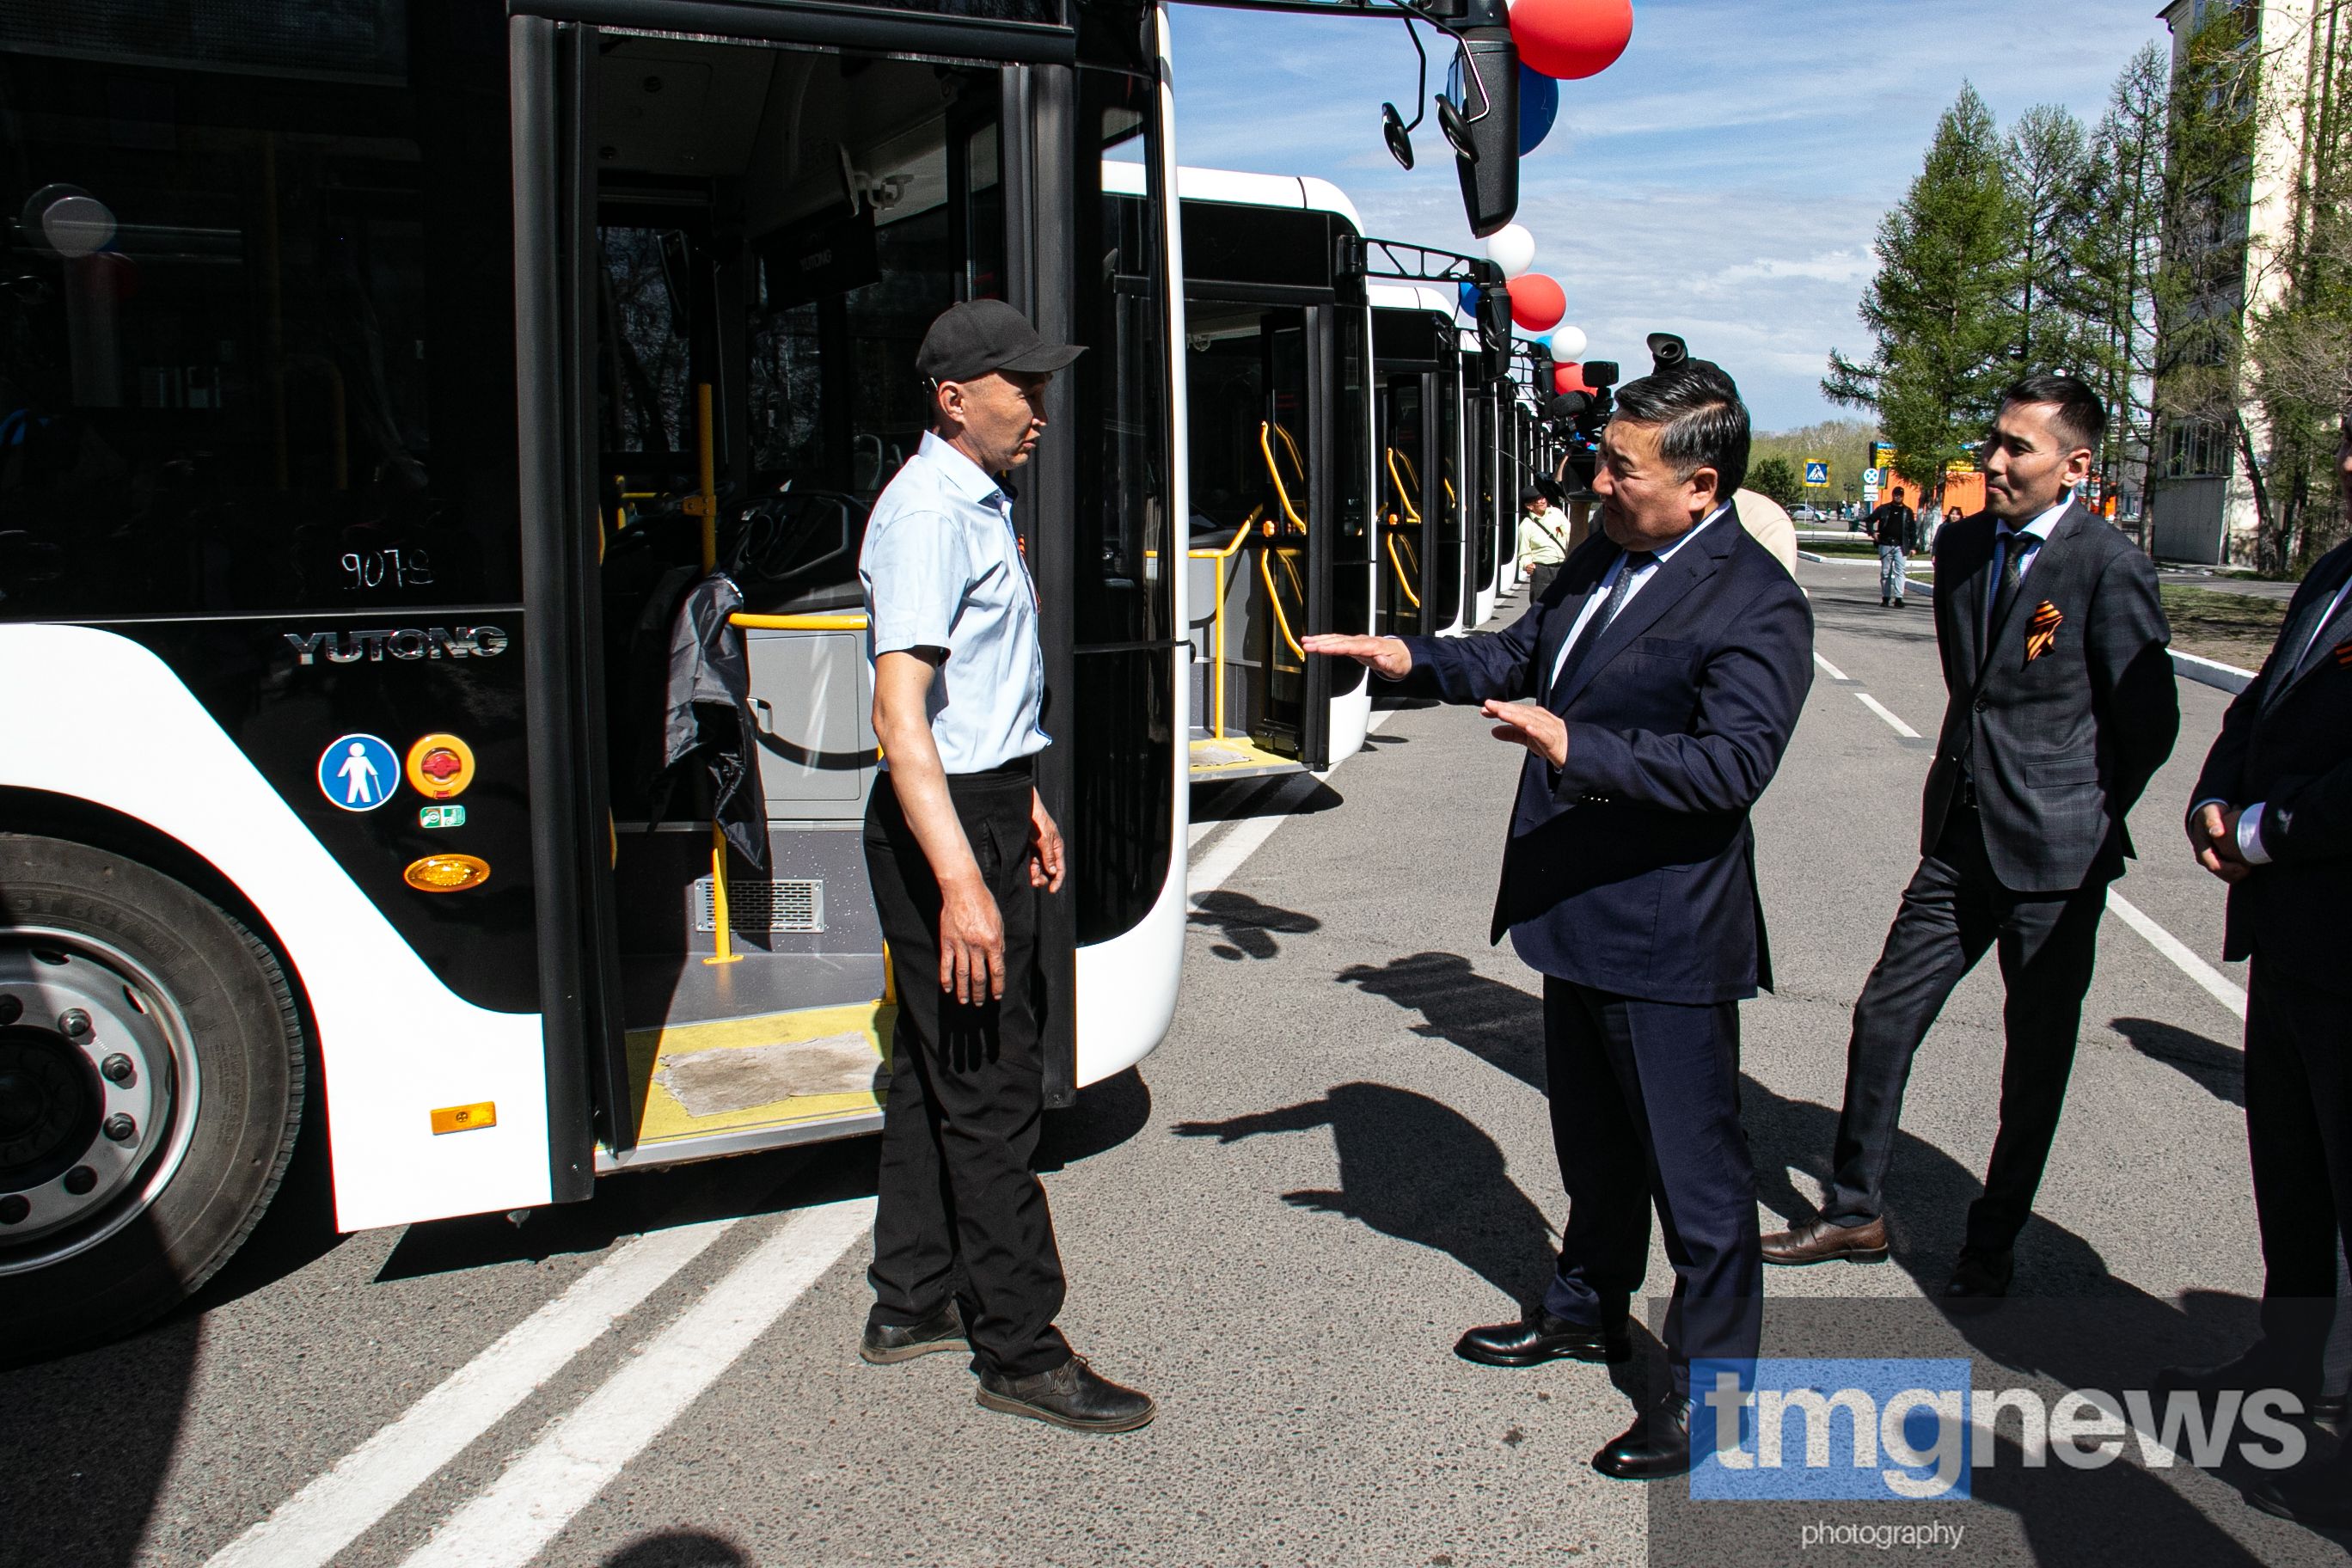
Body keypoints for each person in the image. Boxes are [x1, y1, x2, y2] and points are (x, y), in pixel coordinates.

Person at [1302, 360, 1814, 1480]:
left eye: (1623, 467)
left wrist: (1580, 749)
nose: (1599, 480)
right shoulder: (1605, 552)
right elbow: (1523, 656)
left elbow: (1733, 765)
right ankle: (1586, 1304)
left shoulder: (1755, 601)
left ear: (1702, 484)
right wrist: (1411, 659)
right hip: (1574, 913)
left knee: (1699, 1179)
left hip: (1668, 934)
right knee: (1594, 1147)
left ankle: (1714, 1396)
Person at [1762, 375, 2178, 1302]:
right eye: (1992, 441)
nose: (1992, 462)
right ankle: (1855, 1207)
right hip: (1961, 835)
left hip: (2057, 859)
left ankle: (1992, 1240)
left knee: (2033, 1059)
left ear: (2074, 465)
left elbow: (2148, 722)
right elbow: (1973, 685)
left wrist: (2082, 812)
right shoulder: (1963, 542)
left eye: (2016, 449)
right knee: (1883, 1015)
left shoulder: (2109, 565)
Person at [856, 297, 1153, 1433]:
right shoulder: (933, 512)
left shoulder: (974, 501)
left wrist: (1019, 794)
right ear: (954, 398)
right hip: (946, 828)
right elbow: (901, 713)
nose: (1040, 408)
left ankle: (913, 1296)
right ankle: (1021, 1347)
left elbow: (976, 689)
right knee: (990, 1092)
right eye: (1020, 387)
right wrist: (964, 883)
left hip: (978, 802)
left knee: (931, 1075)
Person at [2168, 407, 2352, 1530]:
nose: (2343, 464)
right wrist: (2213, 799)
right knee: (2292, 1180)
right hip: (2290, 940)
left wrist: (2270, 830)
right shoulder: (2335, 569)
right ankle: (2291, 1376)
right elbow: (2259, 708)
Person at [1865, 487, 1920, 608]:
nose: (1898, 497)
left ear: (1903, 496)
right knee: (1885, 572)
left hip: (1901, 546)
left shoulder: (1907, 511)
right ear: (1892, 495)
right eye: (1896, 495)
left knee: (1900, 572)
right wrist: (1873, 533)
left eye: (1900, 495)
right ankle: (1885, 598)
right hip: (1885, 544)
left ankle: (1899, 598)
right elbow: (1869, 520)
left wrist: (1912, 547)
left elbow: (1912, 531)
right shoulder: (1884, 509)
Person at [1516, 485, 1569, 600]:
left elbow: (1569, 533)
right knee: (1540, 603)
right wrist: (1527, 565)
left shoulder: (1556, 513)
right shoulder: (1526, 526)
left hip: (1563, 566)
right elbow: (1524, 552)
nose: (1543, 501)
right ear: (1529, 506)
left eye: (1543, 497)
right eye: (1538, 500)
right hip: (1542, 571)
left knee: (1563, 603)